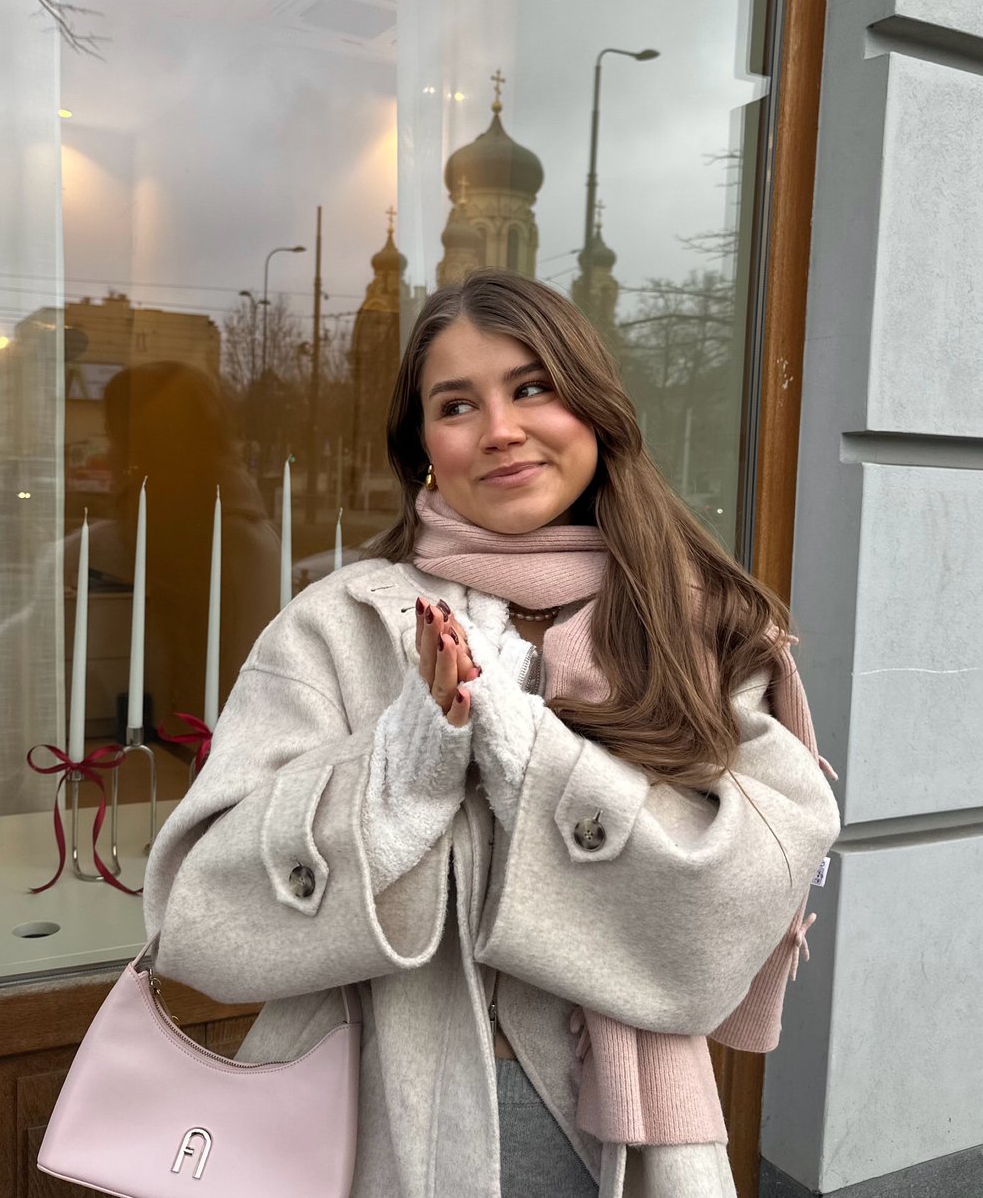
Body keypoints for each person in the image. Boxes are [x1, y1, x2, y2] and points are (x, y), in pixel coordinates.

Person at [143, 269, 840, 1198]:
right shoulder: (337, 626)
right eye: (457, 404)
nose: (501, 428)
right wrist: (401, 770)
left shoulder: (698, 625)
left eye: (533, 386)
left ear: (593, 409)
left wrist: (528, 758)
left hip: (628, 1147)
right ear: (424, 446)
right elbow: (197, 918)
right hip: (369, 1138)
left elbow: (747, 892)